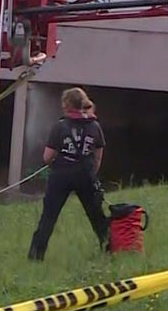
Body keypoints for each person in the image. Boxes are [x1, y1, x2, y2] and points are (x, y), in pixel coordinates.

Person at [27, 87, 109, 261]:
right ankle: (109, 246)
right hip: (85, 175)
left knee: (49, 216)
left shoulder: (60, 126)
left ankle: (36, 255)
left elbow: (47, 157)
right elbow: (98, 153)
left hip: (61, 176)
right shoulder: (95, 125)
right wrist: (91, 172)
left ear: (66, 105)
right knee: (96, 214)